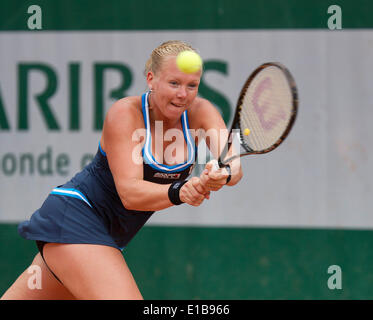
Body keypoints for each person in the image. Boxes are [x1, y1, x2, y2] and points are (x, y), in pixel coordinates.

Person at [1, 40, 242, 300]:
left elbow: (234, 164)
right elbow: (130, 193)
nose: (183, 94)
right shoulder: (124, 113)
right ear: (152, 79)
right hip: (74, 218)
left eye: (191, 85)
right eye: (174, 83)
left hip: (105, 237)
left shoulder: (202, 112)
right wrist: (179, 191)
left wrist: (222, 174)